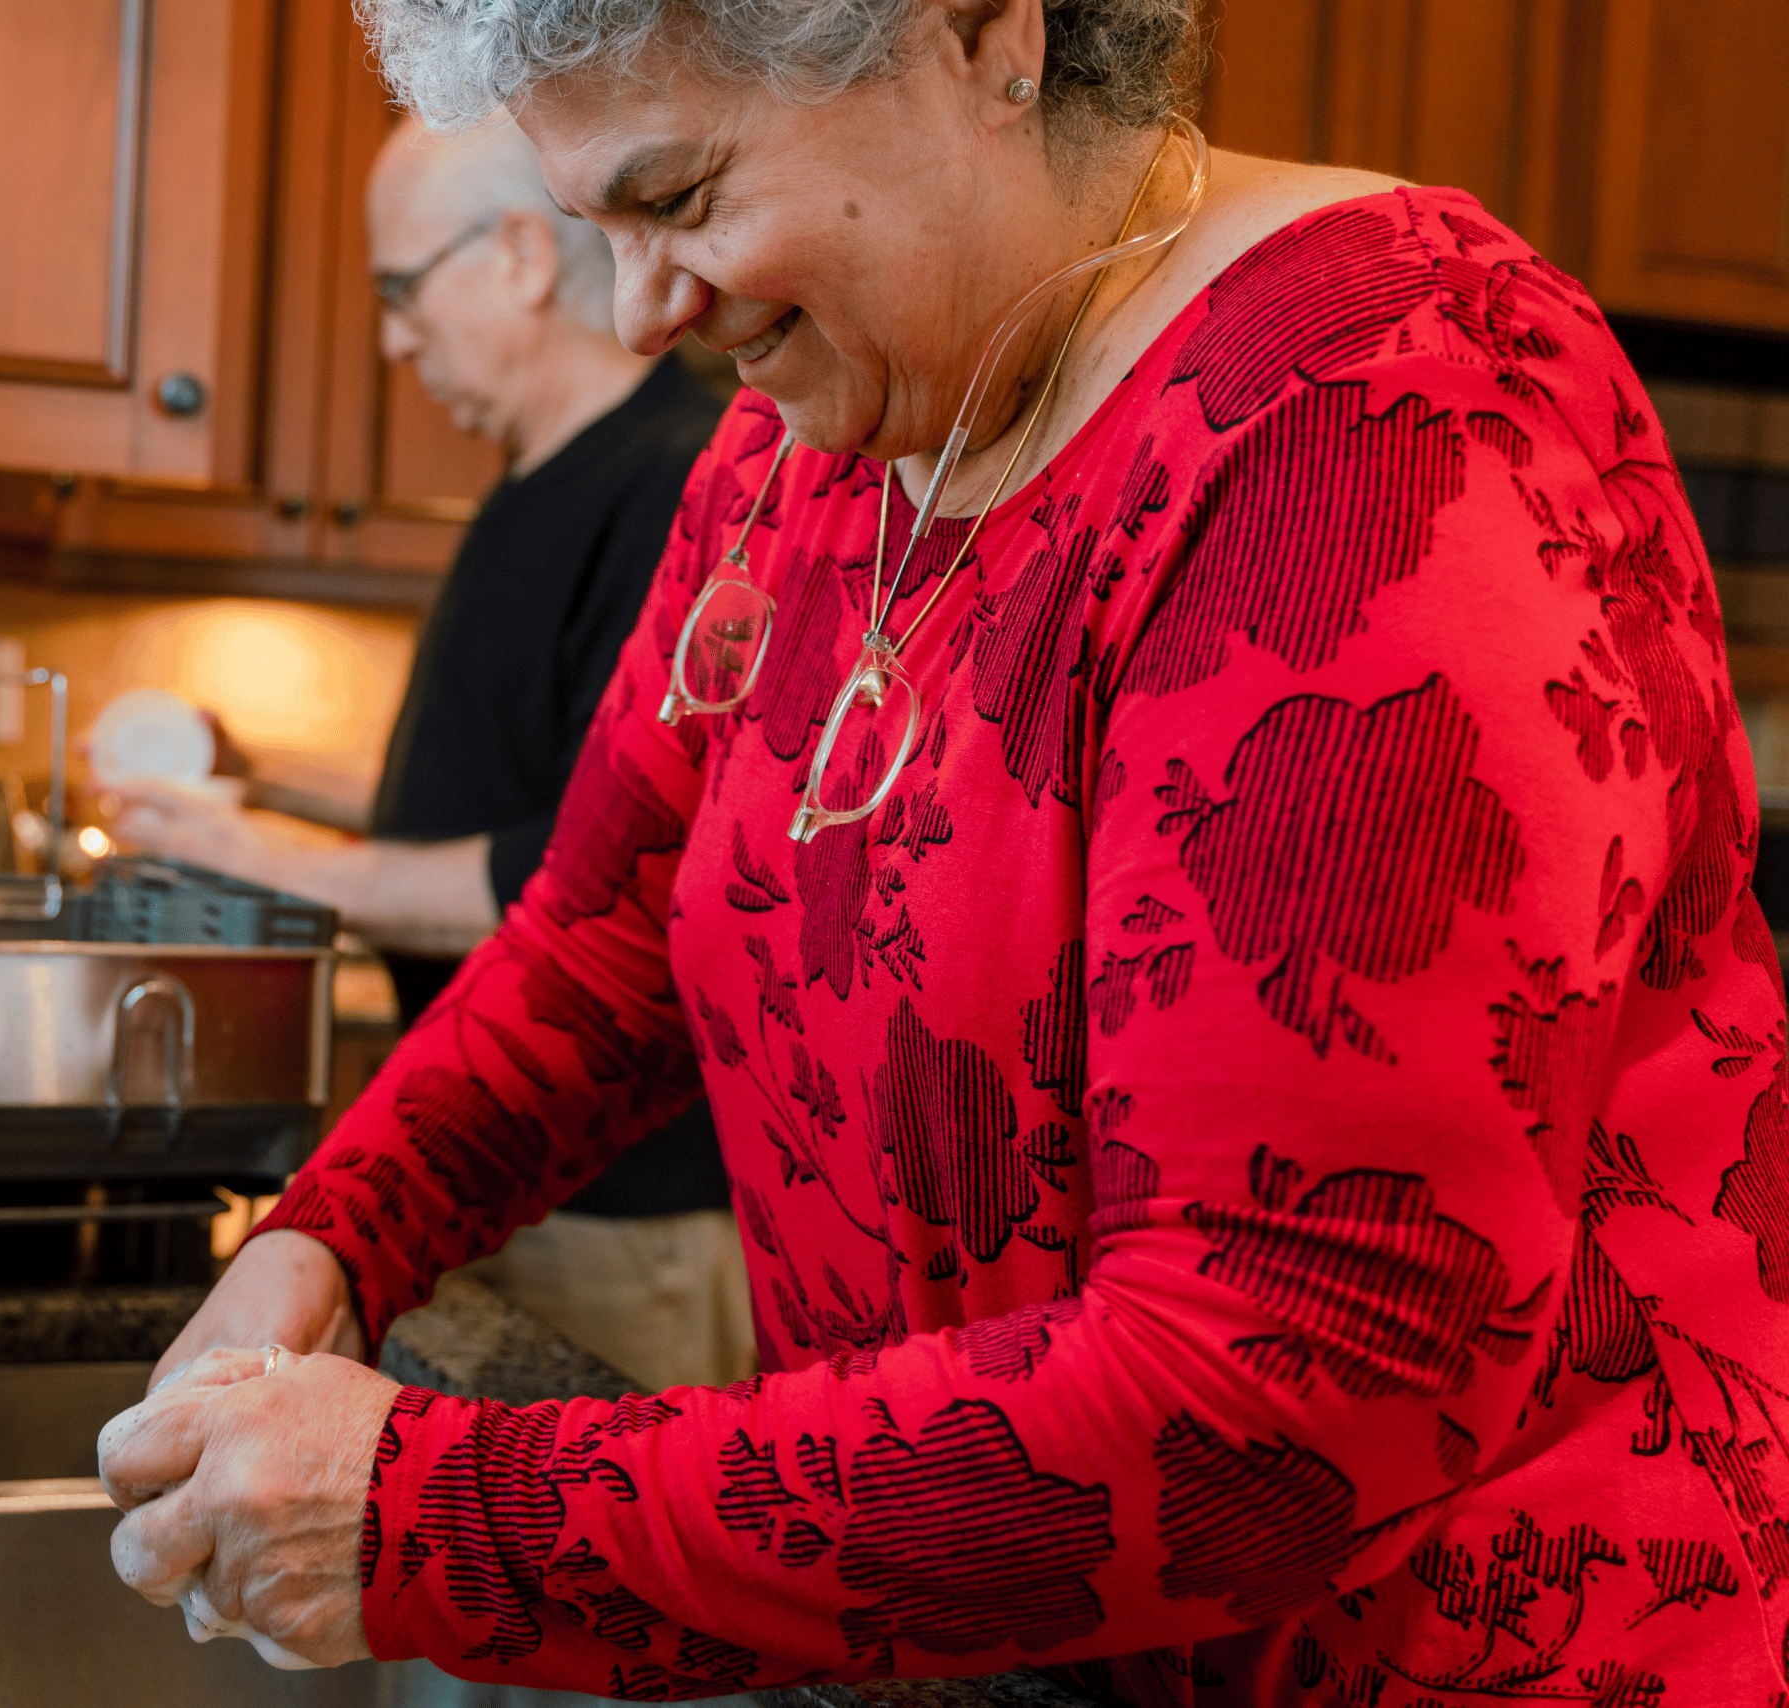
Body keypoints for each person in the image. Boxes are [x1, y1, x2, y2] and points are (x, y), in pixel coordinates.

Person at [95, 0, 1789, 1699]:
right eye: (601, 228)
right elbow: (607, 936)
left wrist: (450, 1518)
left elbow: (1276, 1392)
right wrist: (328, 1241)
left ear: (985, 34)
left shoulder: (1370, 426)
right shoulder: (801, 450)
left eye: (679, 199)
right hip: (998, 1643)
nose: (638, 311)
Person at [110, 116, 749, 1393]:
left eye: (402, 289)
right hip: (517, 1184)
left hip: (625, 1215)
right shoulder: (540, 478)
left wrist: (264, 855)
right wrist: (264, 771)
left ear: (519, 252)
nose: (395, 337)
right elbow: (498, 786)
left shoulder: (679, 480)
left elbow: (575, 881)